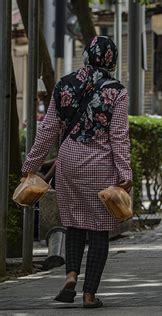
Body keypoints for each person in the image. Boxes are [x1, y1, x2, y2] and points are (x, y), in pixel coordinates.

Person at [21, 36, 132, 308]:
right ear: (112, 60)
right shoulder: (117, 91)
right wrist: (125, 172)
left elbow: (47, 130)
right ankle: (89, 294)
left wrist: (30, 166)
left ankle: (70, 276)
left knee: (73, 224)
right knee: (99, 230)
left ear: (85, 55)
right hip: (101, 165)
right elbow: (118, 136)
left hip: (68, 162)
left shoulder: (64, 84)